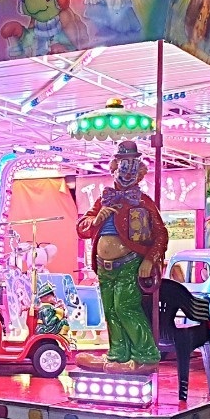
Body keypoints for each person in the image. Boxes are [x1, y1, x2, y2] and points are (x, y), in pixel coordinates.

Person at [76, 139, 167, 374]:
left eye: (131, 167)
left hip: (129, 263)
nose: (126, 174)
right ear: (114, 168)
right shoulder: (103, 200)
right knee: (110, 309)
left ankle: (146, 354)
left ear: (139, 173)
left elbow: (161, 234)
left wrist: (149, 259)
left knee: (125, 306)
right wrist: (96, 220)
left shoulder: (143, 202)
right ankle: (118, 354)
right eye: (122, 166)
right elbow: (82, 228)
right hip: (104, 266)